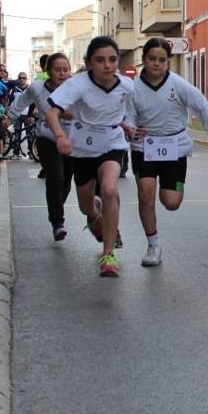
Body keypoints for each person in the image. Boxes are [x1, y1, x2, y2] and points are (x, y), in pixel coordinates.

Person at [125, 38, 208, 266]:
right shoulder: (133, 88)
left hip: (174, 146)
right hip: (144, 146)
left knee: (171, 202)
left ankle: (169, 190)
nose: (156, 64)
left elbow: (203, 106)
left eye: (162, 60)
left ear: (169, 62)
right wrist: (131, 130)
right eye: (151, 59)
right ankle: (153, 246)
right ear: (144, 60)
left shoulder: (178, 84)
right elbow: (128, 116)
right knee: (146, 193)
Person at [46, 36, 135, 277]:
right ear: (88, 63)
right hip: (83, 149)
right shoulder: (78, 84)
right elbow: (52, 113)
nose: (107, 65)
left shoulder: (126, 85)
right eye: (100, 60)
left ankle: (109, 255)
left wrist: (127, 124)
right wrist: (59, 136)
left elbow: (127, 111)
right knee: (87, 207)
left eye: (112, 60)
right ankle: (95, 215)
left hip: (112, 145)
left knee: (109, 190)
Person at [10, 52, 74, 240]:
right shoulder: (37, 88)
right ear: (48, 71)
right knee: (56, 176)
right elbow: (19, 104)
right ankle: (57, 222)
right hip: (47, 139)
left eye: (66, 70)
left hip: (72, 141)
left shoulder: (76, 88)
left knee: (67, 180)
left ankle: (56, 207)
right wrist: (8, 118)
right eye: (57, 70)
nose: (62, 74)